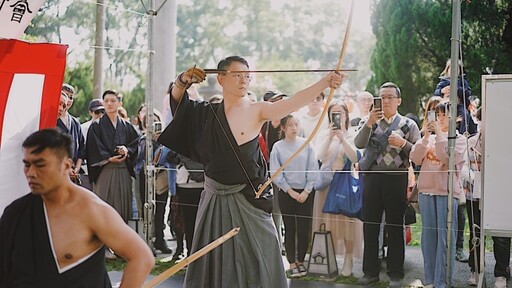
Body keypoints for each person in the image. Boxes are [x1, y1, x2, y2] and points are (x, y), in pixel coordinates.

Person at [158, 55, 344, 287]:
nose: (244, 80)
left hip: (248, 199)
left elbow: (292, 102)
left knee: (262, 252)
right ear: (221, 79)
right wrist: (182, 80)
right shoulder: (205, 113)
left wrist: (325, 82)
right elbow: (178, 104)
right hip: (214, 197)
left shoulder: (258, 110)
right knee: (214, 257)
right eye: (237, 75)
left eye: (247, 76)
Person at [0, 128, 154, 287]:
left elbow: (142, 257)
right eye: (27, 165)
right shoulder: (16, 213)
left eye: (40, 165)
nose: (31, 173)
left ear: (66, 165)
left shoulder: (92, 210)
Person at [355, 82, 420, 287]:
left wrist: (403, 144)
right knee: (370, 225)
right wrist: (368, 123)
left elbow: (417, 154)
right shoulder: (370, 121)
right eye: (382, 97)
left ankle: (395, 272)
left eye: (390, 97)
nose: (385, 100)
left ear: (398, 100)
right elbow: (359, 144)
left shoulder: (409, 125)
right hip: (372, 178)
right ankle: (370, 271)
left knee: (395, 225)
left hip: (396, 178)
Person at [410, 102, 466, 288]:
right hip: (426, 192)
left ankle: (443, 282)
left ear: (456, 118)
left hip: (446, 194)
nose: (440, 119)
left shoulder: (459, 139)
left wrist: (440, 135)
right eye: (438, 115)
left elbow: (449, 159)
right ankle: (429, 281)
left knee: (445, 239)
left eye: (444, 115)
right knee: (428, 239)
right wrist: (426, 136)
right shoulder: (430, 138)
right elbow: (415, 158)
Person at [311, 101, 362, 277]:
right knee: (326, 224)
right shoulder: (323, 134)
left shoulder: (351, 134)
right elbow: (319, 156)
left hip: (345, 183)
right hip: (326, 183)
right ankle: (327, 259)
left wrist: (342, 139)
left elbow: (355, 157)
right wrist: (330, 137)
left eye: (340, 113)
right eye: (334, 113)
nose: (338, 117)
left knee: (347, 223)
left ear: (347, 116)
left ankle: (348, 260)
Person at [461, 109, 511, 288]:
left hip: (499, 195)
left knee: (501, 235)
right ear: (478, 120)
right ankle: (475, 269)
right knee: (475, 232)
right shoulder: (470, 142)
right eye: (483, 119)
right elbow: (463, 167)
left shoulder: (506, 140)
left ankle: (501, 273)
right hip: (474, 194)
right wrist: (473, 176)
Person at [270, 114, 318, 278]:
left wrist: (306, 190)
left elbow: (313, 169)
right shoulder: (278, 147)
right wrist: (289, 190)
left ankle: (301, 261)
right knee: (289, 228)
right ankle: (291, 262)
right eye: (290, 125)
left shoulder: (307, 144)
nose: (294, 128)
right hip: (286, 193)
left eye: (296, 124)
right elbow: (275, 172)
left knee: (304, 228)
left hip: (305, 193)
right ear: (283, 128)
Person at [86, 90, 139, 224]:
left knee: (122, 207)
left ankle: (120, 242)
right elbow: (93, 147)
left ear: (120, 103)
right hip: (105, 169)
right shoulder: (96, 126)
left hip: (123, 170)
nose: (109, 104)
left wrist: (127, 150)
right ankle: (102, 243)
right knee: (104, 207)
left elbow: (135, 144)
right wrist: (108, 158)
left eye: (113, 101)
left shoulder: (127, 126)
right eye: (106, 101)